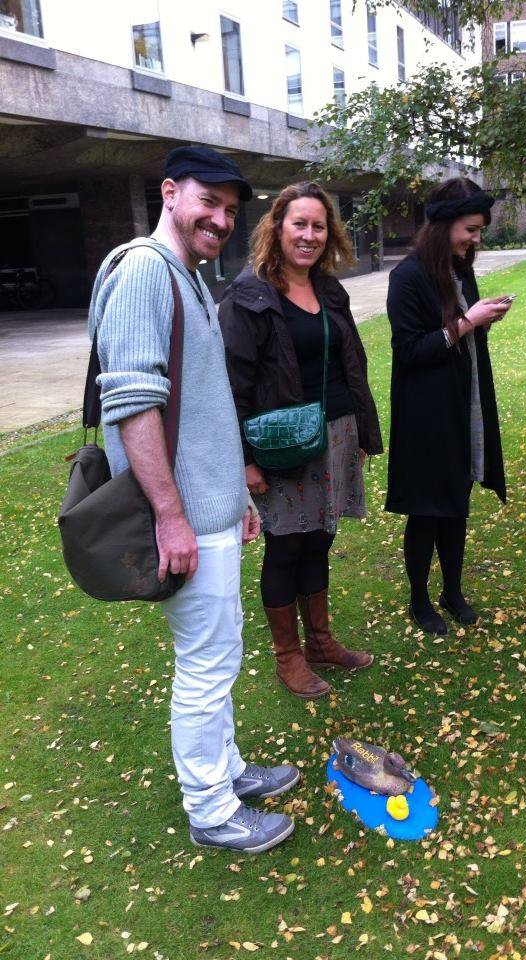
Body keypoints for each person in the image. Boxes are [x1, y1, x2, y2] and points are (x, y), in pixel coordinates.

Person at [89, 146, 299, 855]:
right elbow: (132, 402)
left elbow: (204, 407)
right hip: (180, 518)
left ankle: (228, 770)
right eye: (209, 202)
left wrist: (233, 494)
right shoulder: (145, 271)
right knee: (205, 665)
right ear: (170, 193)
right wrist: (172, 515)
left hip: (209, 510)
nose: (221, 219)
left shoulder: (188, 276)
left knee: (221, 652)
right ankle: (210, 810)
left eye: (231, 210)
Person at [219, 182, 383, 699]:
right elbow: (232, 385)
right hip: (283, 444)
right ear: (277, 227)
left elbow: (352, 363)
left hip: (336, 432)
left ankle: (321, 642)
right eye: (299, 224)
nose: (309, 235)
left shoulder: (330, 289)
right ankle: (287, 656)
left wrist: (360, 430)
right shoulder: (249, 296)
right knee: (286, 545)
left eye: (319, 226)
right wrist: (245, 460)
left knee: (321, 538)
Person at [385, 177, 512, 635]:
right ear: (444, 226)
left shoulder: (460, 270)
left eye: (479, 231)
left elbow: (462, 332)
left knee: (457, 505)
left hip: (462, 404)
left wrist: (483, 319)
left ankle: (452, 591)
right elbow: (410, 351)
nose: (476, 239)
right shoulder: (407, 277)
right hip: (425, 415)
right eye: (470, 230)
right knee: (427, 510)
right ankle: (419, 598)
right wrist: (466, 322)